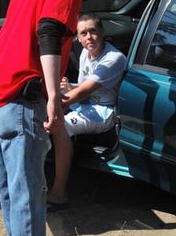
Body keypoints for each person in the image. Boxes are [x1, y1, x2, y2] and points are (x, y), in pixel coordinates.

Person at [0, 0, 95, 236]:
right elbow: (48, 30)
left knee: (12, 185)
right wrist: (53, 95)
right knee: (30, 189)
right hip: (23, 92)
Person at [47, 14, 126, 207]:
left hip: (104, 111)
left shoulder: (113, 58)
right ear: (79, 38)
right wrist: (67, 89)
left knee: (61, 126)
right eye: (83, 33)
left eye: (93, 31)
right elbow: (81, 88)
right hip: (87, 103)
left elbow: (84, 91)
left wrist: (55, 105)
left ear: (102, 33)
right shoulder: (85, 53)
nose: (89, 37)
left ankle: (59, 193)